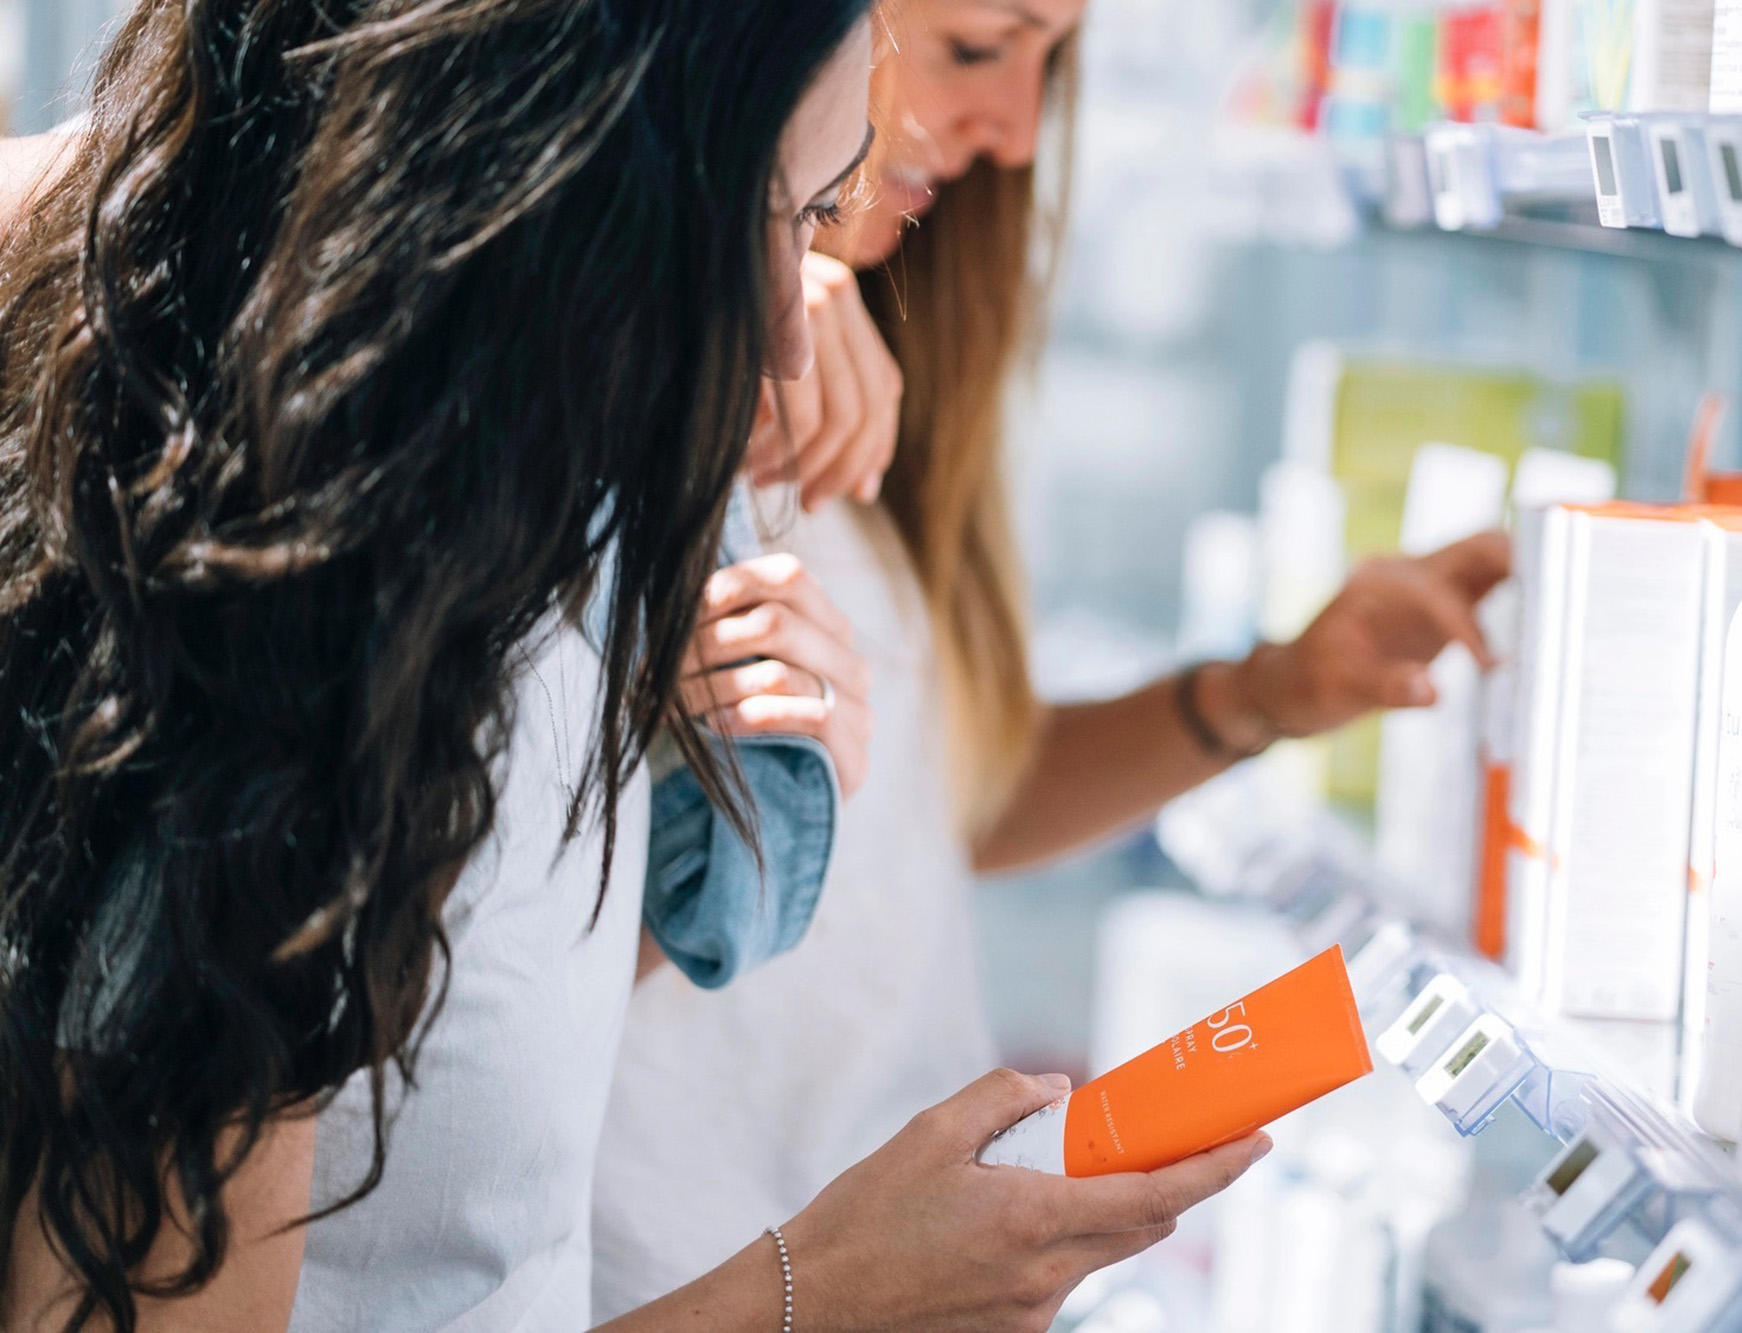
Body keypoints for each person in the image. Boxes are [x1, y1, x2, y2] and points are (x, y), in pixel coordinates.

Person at [0, 3, 1264, 1330]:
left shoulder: (524, 541)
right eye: (772, 220)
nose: (798, 334)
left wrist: (691, 846)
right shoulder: (275, 648)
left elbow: (433, 1066)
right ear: (564, 161)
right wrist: (819, 1290)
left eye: (825, 221)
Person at [591, 0, 1512, 1317]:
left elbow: (936, 803)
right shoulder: (623, 392)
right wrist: (722, 292)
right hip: (693, 1273)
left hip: (907, 1269)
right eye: (978, 48)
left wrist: (1260, 694)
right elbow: (483, 935)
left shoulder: (864, 376)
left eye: (1050, 65)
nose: (1017, 133)